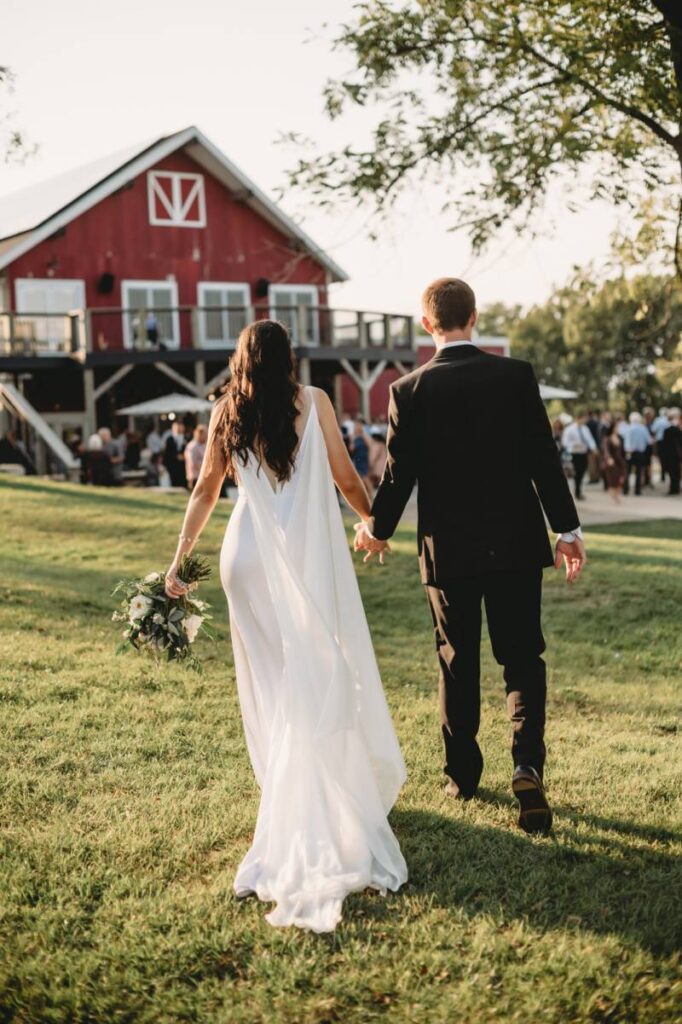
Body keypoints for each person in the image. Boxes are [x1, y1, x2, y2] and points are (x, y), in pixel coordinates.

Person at [163, 319, 407, 932]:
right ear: (289, 358)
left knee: (272, 683)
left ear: (241, 358)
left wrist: (180, 558)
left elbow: (204, 490)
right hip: (296, 556)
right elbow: (346, 477)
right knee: (312, 673)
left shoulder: (224, 411)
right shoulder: (315, 401)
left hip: (243, 558)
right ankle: (304, 799)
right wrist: (373, 524)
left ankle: (284, 792)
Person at [355, 277, 586, 835]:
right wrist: (567, 529)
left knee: (456, 661)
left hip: (448, 550)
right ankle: (527, 763)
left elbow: (399, 473)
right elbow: (542, 458)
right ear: (475, 317)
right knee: (523, 656)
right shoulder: (514, 376)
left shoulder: (408, 389)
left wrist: (375, 528)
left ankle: (463, 775)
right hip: (514, 542)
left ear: (427, 323)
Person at [561, 412, 597, 500]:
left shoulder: (585, 429)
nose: (585, 421)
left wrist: (594, 448)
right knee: (577, 471)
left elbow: (589, 439)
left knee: (582, 470)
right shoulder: (569, 429)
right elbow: (565, 441)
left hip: (583, 453)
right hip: (574, 453)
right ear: (579, 418)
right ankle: (577, 491)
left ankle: (578, 489)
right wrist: (573, 445)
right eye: (584, 418)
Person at [623, 412, 651, 496]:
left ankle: (625, 489)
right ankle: (637, 490)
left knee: (627, 471)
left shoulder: (627, 428)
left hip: (629, 452)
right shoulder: (643, 428)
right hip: (639, 453)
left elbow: (625, 440)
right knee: (638, 472)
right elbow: (649, 441)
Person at [601, 420, 627, 503]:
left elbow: (623, 450)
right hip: (612, 462)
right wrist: (608, 458)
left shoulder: (620, 437)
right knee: (613, 479)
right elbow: (606, 450)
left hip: (620, 461)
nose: (618, 429)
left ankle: (616, 494)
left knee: (622, 477)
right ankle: (614, 496)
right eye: (616, 427)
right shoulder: (607, 438)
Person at [661, 408, 682, 496]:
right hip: (676, 454)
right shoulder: (677, 430)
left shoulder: (668, 430)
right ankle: (676, 487)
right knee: (676, 471)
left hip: (670, 454)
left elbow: (664, 444)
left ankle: (674, 488)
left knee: (673, 471)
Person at [351, 419, 373, 495]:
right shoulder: (353, 436)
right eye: (355, 426)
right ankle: (365, 494)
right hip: (357, 459)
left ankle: (371, 494)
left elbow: (370, 445)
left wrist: (370, 458)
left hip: (364, 458)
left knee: (365, 477)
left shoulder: (364, 435)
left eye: (357, 426)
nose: (356, 428)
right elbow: (351, 448)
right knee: (360, 478)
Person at [163, 421, 187, 488]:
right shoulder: (169, 439)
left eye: (180, 427)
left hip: (184, 466)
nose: (179, 428)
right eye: (176, 427)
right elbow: (167, 453)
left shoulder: (187, 438)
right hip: (173, 466)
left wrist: (185, 456)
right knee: (174, 483)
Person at [184, 424, 207, 490]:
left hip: (203, 477)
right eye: (205, 434)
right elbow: (193, 463)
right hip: (195, 478)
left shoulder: (204, 445)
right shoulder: (192, 446)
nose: (206, 436)